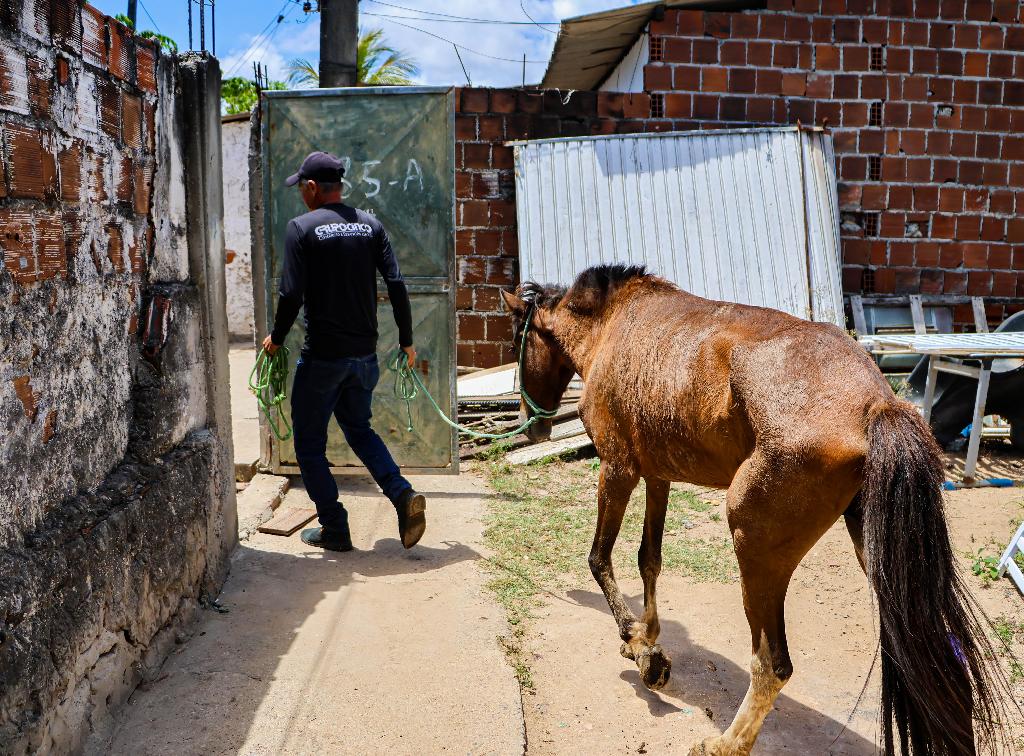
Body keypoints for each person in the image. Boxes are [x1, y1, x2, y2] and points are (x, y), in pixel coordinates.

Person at [262, 151, 426, 552]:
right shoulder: (371, 225)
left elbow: (291, 294)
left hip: (323, 359)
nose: (301, 194)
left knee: (308, 445)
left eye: (301, 187)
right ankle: (401, 493)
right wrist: (407, 340)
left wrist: (277, 338)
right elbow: (397, 283)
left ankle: (335, 527)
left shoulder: (301, 228)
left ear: (312, 188)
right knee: (359, 429)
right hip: (363, 358)